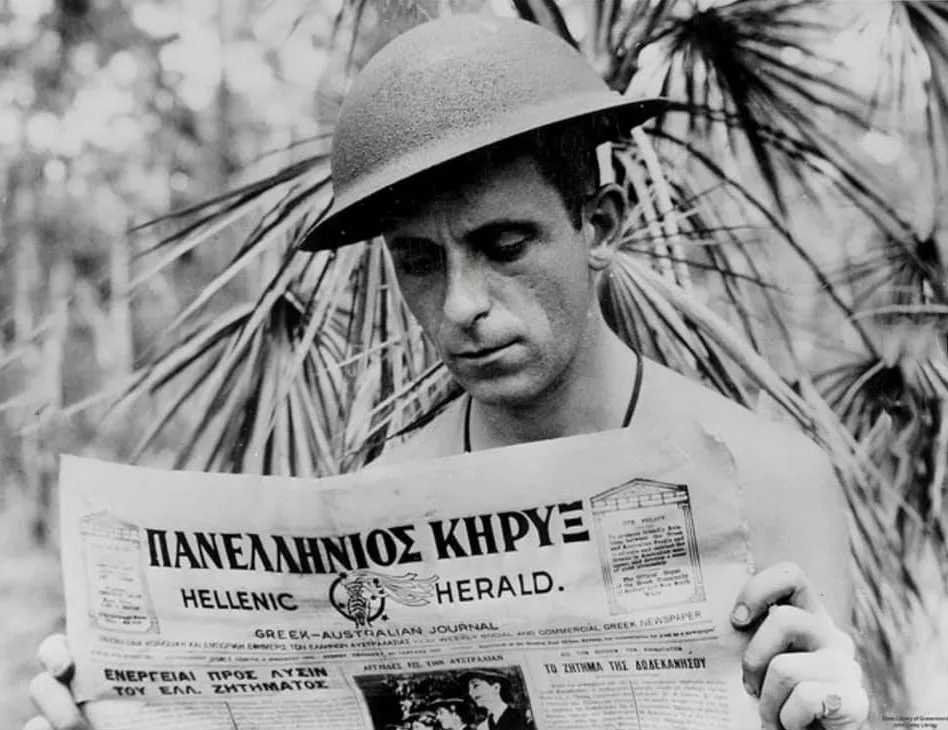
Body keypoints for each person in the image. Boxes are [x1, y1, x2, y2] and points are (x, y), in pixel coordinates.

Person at [26, 14, 868, 730]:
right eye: (421, 262)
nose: (463, 304)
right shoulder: (388, 495)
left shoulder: (769, 480)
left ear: (600, 226)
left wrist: (839, 716)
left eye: (504, 247)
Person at [461, 670, 531, 730]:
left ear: (496, 688)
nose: (470, 693)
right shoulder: (482, 727)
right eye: (469, 689)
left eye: (475, 686)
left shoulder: (523, 717)